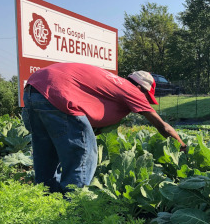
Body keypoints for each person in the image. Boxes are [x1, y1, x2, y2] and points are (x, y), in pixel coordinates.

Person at [22, 62, 187, 194]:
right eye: (146, 97)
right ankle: (73, 208)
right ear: (141, 89)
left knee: (46, 152)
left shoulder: (112, 84)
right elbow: (162, 126)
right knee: (84, 156)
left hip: (33, 89)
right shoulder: (132, 90)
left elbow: (91, 124)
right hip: (59, 94)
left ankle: (44, 199)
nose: (144, 101)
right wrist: (182, 146)